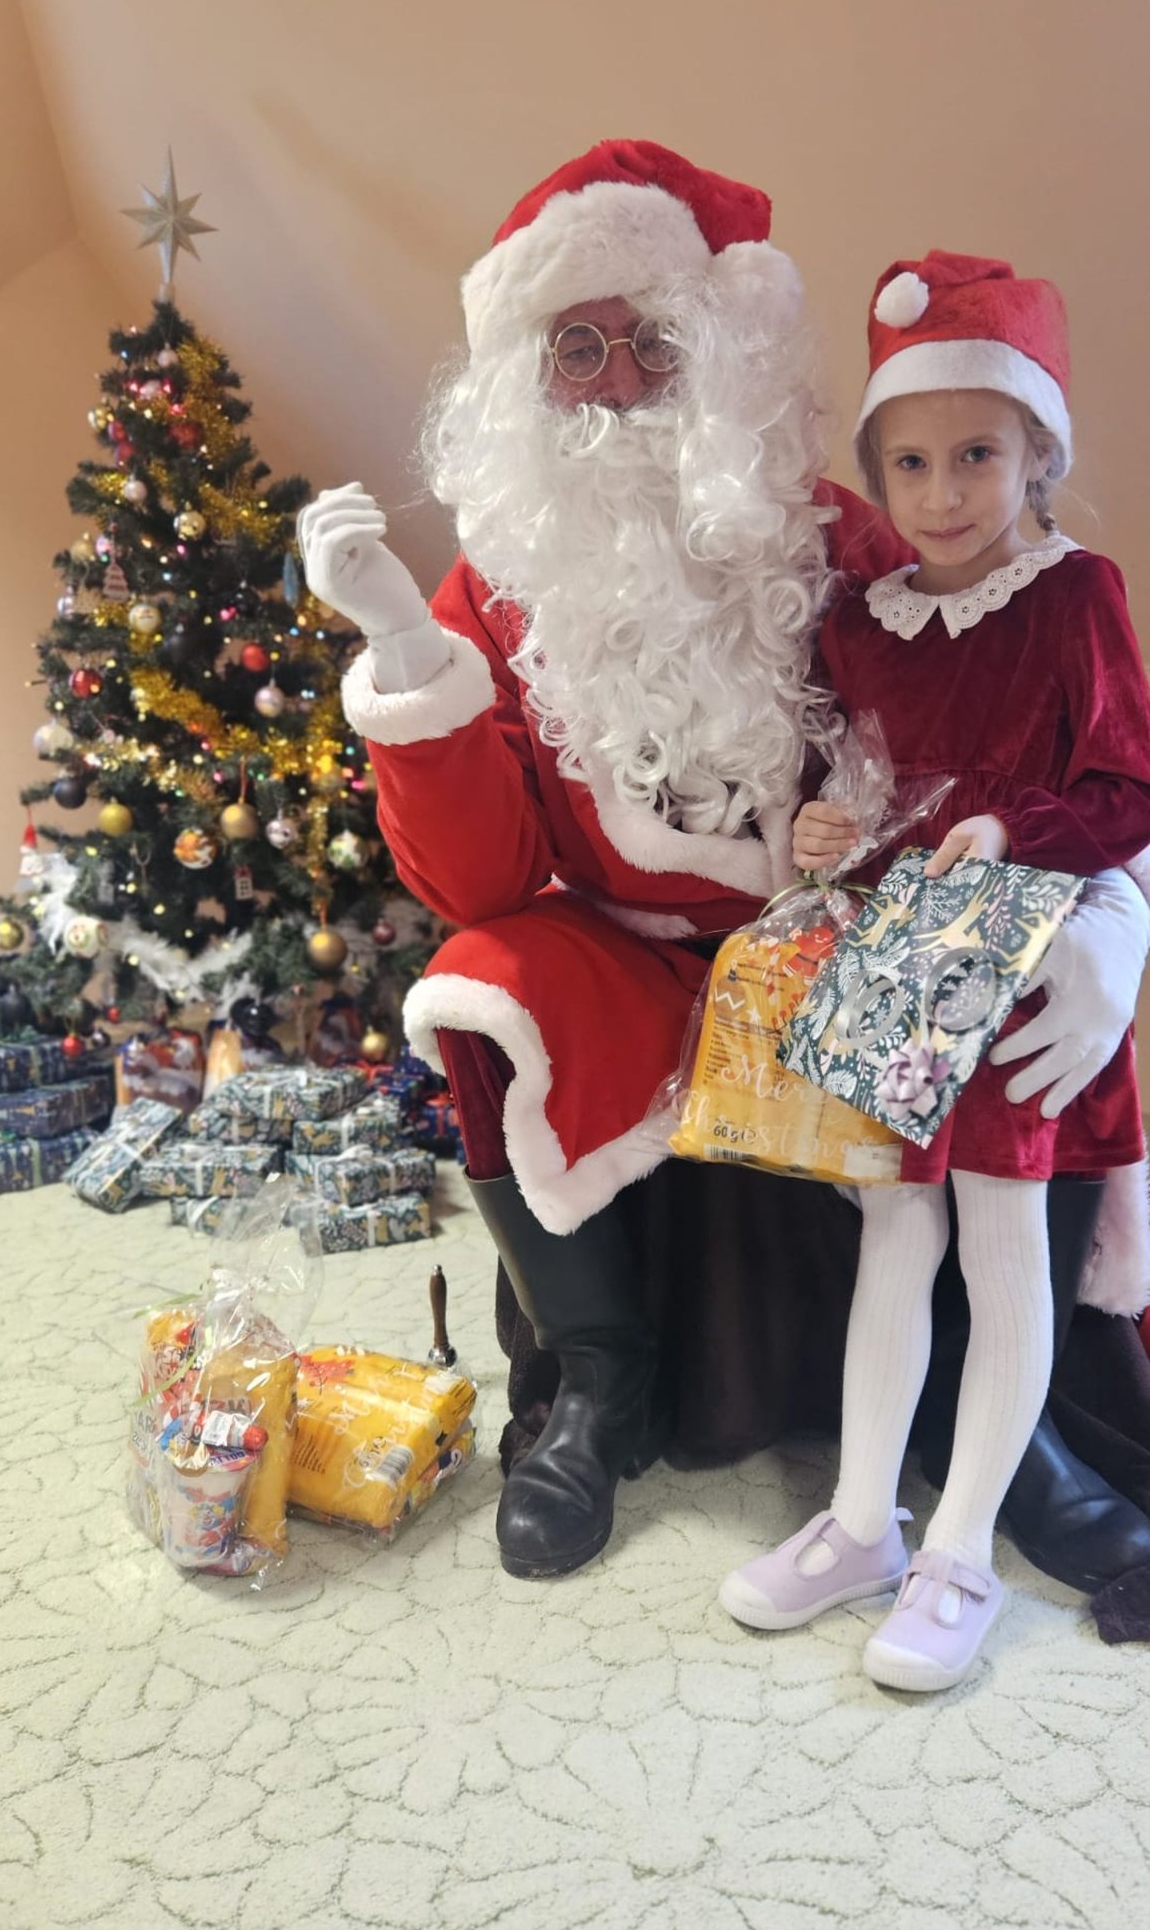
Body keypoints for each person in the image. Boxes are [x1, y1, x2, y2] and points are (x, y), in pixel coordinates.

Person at [298, 141, 1150, 1592]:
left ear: (722, 352)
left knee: (1014, 991)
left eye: (655, 339)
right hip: (631, 958)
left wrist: (1109, 921)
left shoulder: (846, 536)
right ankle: (600, 1385)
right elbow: (479, 884)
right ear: (526, 382)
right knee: (479, 982)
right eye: (578, 350)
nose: (622, 384)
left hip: (847, 932)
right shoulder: (495, 587)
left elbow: (1033, 741)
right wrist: (402, 647)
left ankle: (998, 1418)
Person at [719, 252, 1150, 1687]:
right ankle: (863, 1521)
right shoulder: (863, 619)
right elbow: (850, 784)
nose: (944, 490)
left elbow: (1127, 787)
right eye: (910, 461)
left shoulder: (1076, 596)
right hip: (896, 975)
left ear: (1040, 457)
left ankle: (960, 1549)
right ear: (877, 475)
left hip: (1016, 976)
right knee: (892, 1245)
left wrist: (1010, 827)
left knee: (1005, 1252)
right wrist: (822, 829)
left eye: (978, 454)